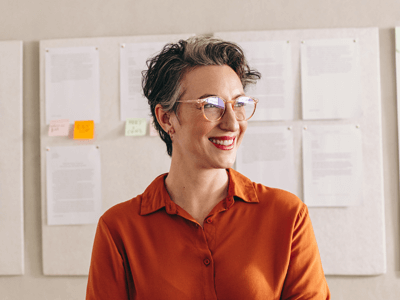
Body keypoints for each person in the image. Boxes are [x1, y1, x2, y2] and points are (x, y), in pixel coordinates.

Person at [86, 35, 330, 300]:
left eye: (238, 104)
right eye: (211, 106)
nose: (232, 123)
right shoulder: (119, 228)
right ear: (167, 119)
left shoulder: (287, 215)